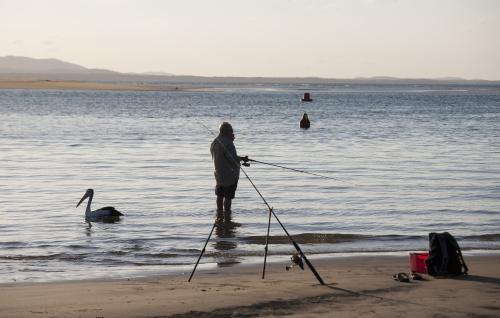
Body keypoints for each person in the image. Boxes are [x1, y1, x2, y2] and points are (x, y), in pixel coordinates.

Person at [210, 122, 248, 222]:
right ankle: (227, 215)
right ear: (227, 131)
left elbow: (219, 156)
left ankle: (219, 214)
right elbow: (232, 159)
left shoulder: (214, 142)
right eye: (231, 131)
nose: (232, 133)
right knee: (228, 197)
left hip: (218, 175)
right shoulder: (228, 143)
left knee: (219, 196)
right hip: (230, 175)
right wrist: (241, 159)